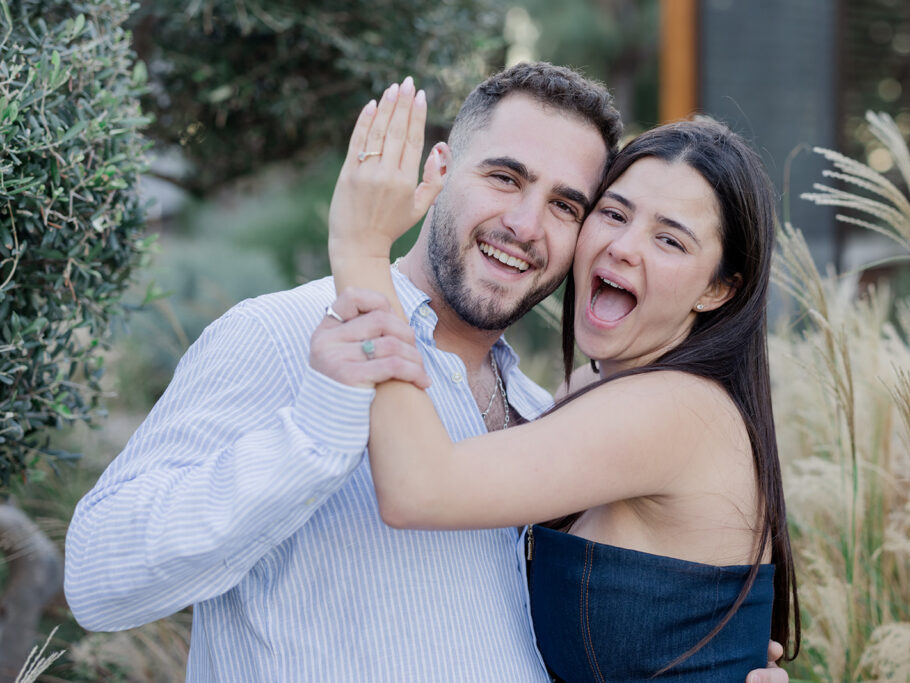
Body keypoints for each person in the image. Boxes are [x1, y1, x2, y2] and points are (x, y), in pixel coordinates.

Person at [64, 62, 789, 681]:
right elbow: (99, 581)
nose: (527, 225)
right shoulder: (286, 335)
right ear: (437, 172)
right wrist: (314, 431)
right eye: (505, 177)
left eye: (567, 204)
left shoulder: (548, 413)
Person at [321, 77, 800, 679]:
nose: (624, 247)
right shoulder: (578, 399)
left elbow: (418, 486)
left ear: (718, 288)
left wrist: (363, 254)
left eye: (670, 240)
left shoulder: (677, 410)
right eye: (613, 213)